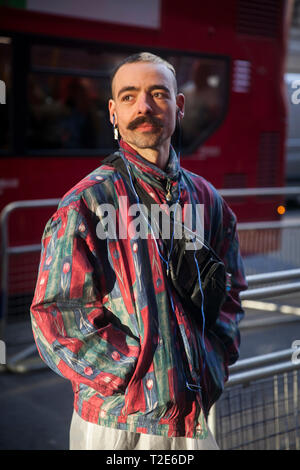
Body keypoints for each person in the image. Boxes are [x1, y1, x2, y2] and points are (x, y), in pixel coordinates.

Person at [30, 52, 247, 451]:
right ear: (113, 112)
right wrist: (134, 375)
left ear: (178, 106)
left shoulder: (208, 200)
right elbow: (56, 315)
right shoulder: (87, 202)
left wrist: (214, 358)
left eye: (158, 94)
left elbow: (231, 289)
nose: (143, 106)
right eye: (129, 97)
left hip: (191, 415)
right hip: (116, 423)